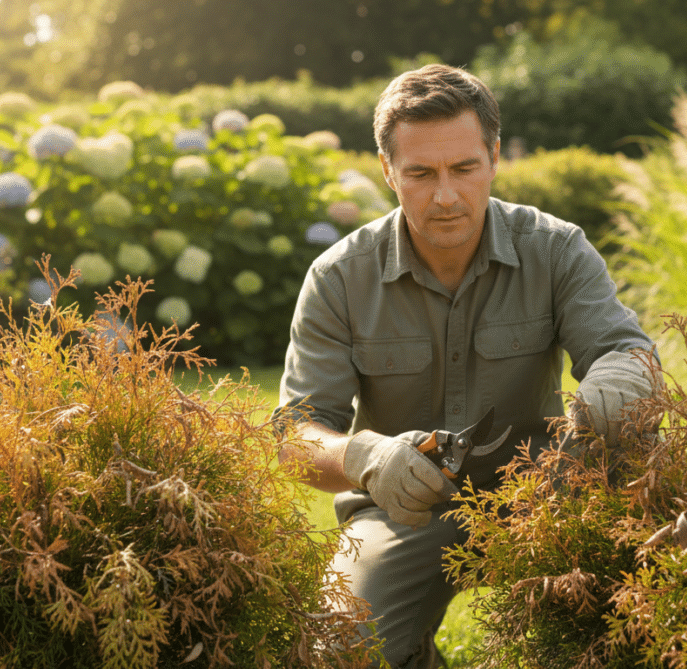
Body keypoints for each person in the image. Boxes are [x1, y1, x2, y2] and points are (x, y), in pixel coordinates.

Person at [274, 64, 657, 668]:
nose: (446, 196)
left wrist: (617, 384)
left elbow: (627, 350)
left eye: (464, 168)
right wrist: (366, 457)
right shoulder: (339, 277)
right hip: (402, 509)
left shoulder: (555, 248)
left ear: (495, 158)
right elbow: (294, 435)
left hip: (547, 496)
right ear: (387, 171)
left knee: (628, 628)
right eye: (421, 174)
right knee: (340, 647)